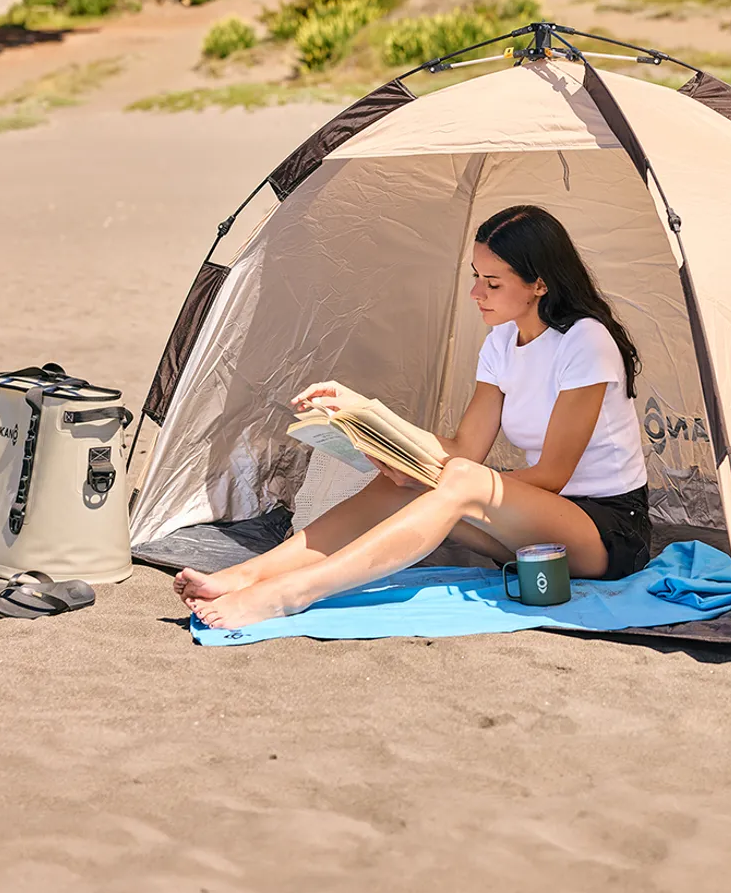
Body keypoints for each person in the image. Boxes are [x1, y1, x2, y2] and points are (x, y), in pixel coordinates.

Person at [177, 204, 650, 629]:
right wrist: (364, 415)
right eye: (475, 276)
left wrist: (453, 476)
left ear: (539, 284)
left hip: (604, 531)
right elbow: (465, 448)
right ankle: (247, 574)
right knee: (398, 482)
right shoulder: (502, 343)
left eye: (493, 282)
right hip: (530, 527)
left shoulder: (585, 341)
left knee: (458, 480)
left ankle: (293, 593)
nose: (475, 293)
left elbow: (551, 476)